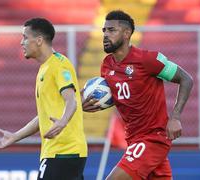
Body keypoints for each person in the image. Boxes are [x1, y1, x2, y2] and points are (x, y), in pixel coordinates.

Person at [83, 10, 193, 180]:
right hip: (133, 139)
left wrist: (175, 117)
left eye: (111, 30)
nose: (105, 35)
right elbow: (120, 96)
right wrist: (94, 103)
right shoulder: (106, 66)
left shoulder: (148, 60)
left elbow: (186, 79)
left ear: (127, 33)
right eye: (104, 30)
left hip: (153, 138)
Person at [0, 18, 87, 180]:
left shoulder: (59, 65)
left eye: (25, 37)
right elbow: (42, 117)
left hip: (64, 151)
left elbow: (72, 100)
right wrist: (15, 136)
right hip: (59, 152)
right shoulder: (45, 68)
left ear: (39, 40)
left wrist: (62, 121)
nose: (22, 43)